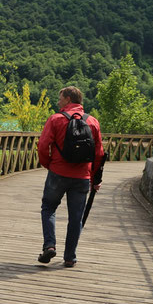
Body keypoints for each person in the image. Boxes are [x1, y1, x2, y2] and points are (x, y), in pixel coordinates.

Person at [36, 86, 105, 267]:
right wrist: (93, 178)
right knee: (76, 217)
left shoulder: (56, 119)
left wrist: (49, 164)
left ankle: (49, 245)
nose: (58, 102)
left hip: (58, 173)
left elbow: (43, 146)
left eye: (60, 98)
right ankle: (69, 257)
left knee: (48, 207)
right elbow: (99, 154)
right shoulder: (93, 122)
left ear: (67, 99)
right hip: (82, 177)